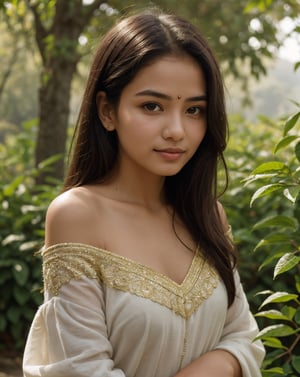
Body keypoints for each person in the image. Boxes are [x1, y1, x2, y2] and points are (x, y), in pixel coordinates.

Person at [23, 9, 265, 377]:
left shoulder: (206, 213)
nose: (176, 130)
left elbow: (243, 338)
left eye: (194, 110)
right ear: (107, 111)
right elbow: (83, 369)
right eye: (152, 106)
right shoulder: (78, 215)